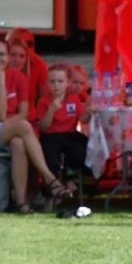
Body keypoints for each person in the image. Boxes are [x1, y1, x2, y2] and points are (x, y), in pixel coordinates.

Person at [0, 39, 70, 212]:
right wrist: (0, 81)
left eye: (2, 54)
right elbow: (0, 113)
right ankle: (50, 179)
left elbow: (24, 112)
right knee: (23, 127)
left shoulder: (18, 77)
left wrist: (5, 123)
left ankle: (22, 202)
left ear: (7, 57)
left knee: (18, 142)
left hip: (9, 131)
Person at [34, 65, 92, 198]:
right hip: (51, 135)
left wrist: (89, 112)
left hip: (69, 134)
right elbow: (43, 127)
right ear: (48, 83)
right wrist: (51, 110)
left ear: (67, 83)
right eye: (52, 82)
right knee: (50, 156)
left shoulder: (73, 100)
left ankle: (70, 178)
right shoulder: (44, 101)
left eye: (60, 82)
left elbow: (83, 120)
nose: (56, 86)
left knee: (81, 146)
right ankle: (51, 190)